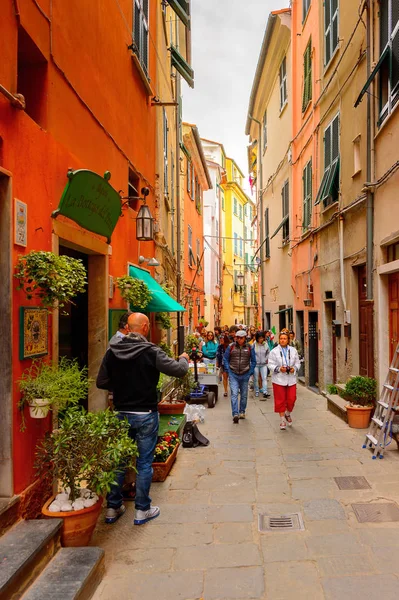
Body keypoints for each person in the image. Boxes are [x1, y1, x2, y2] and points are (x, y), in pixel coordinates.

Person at [96, 312, 190, 525]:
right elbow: (179, 370)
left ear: (127, 328)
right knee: (145, 462)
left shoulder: (113, 351)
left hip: (120, 413)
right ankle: (142, 510)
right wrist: (184, 358)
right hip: (145, 414)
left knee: (118, 460)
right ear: (146, 327)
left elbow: (101, 382)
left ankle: (112, 507)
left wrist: (122, 386)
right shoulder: (151, 351)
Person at [268, 331, 300, 431]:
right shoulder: (274, 351)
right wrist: (278, 368)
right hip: (278, 379)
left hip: (291, 379)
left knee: (292, 399)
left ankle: (288, 413)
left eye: (284, 339)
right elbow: (270, 364)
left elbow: (298, 363)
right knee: (280, 400)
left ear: (288, 340)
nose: (282, 340)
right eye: (281, 338)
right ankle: (282, 420)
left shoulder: (293, 350)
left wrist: (294, 368)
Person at [223, 330, 256, 423]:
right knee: (234, 394)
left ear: (245, 338)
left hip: (245, 373)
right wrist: (228, 370)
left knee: (244, 395)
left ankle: (242, 411)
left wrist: (250, 371)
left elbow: (253, 361)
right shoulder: (231, 347)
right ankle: (235, 413)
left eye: (241, 338)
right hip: (233, 373)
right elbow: (225, 358)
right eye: (237, 338)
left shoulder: (250, 347)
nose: (239, 340)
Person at [253, 331, 270, 399]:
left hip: (263, 364)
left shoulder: (265, 344)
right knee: (256, 378)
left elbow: (268, 352)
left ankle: (265, 391)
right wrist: (253, 360)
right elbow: (252, 353)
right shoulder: (254, 344)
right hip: (256, 364)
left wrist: (266, 359)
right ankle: (257, 390)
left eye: (262, 338)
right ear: (257, 338)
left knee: (264, 378)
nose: (261, 339)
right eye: (259, 338)